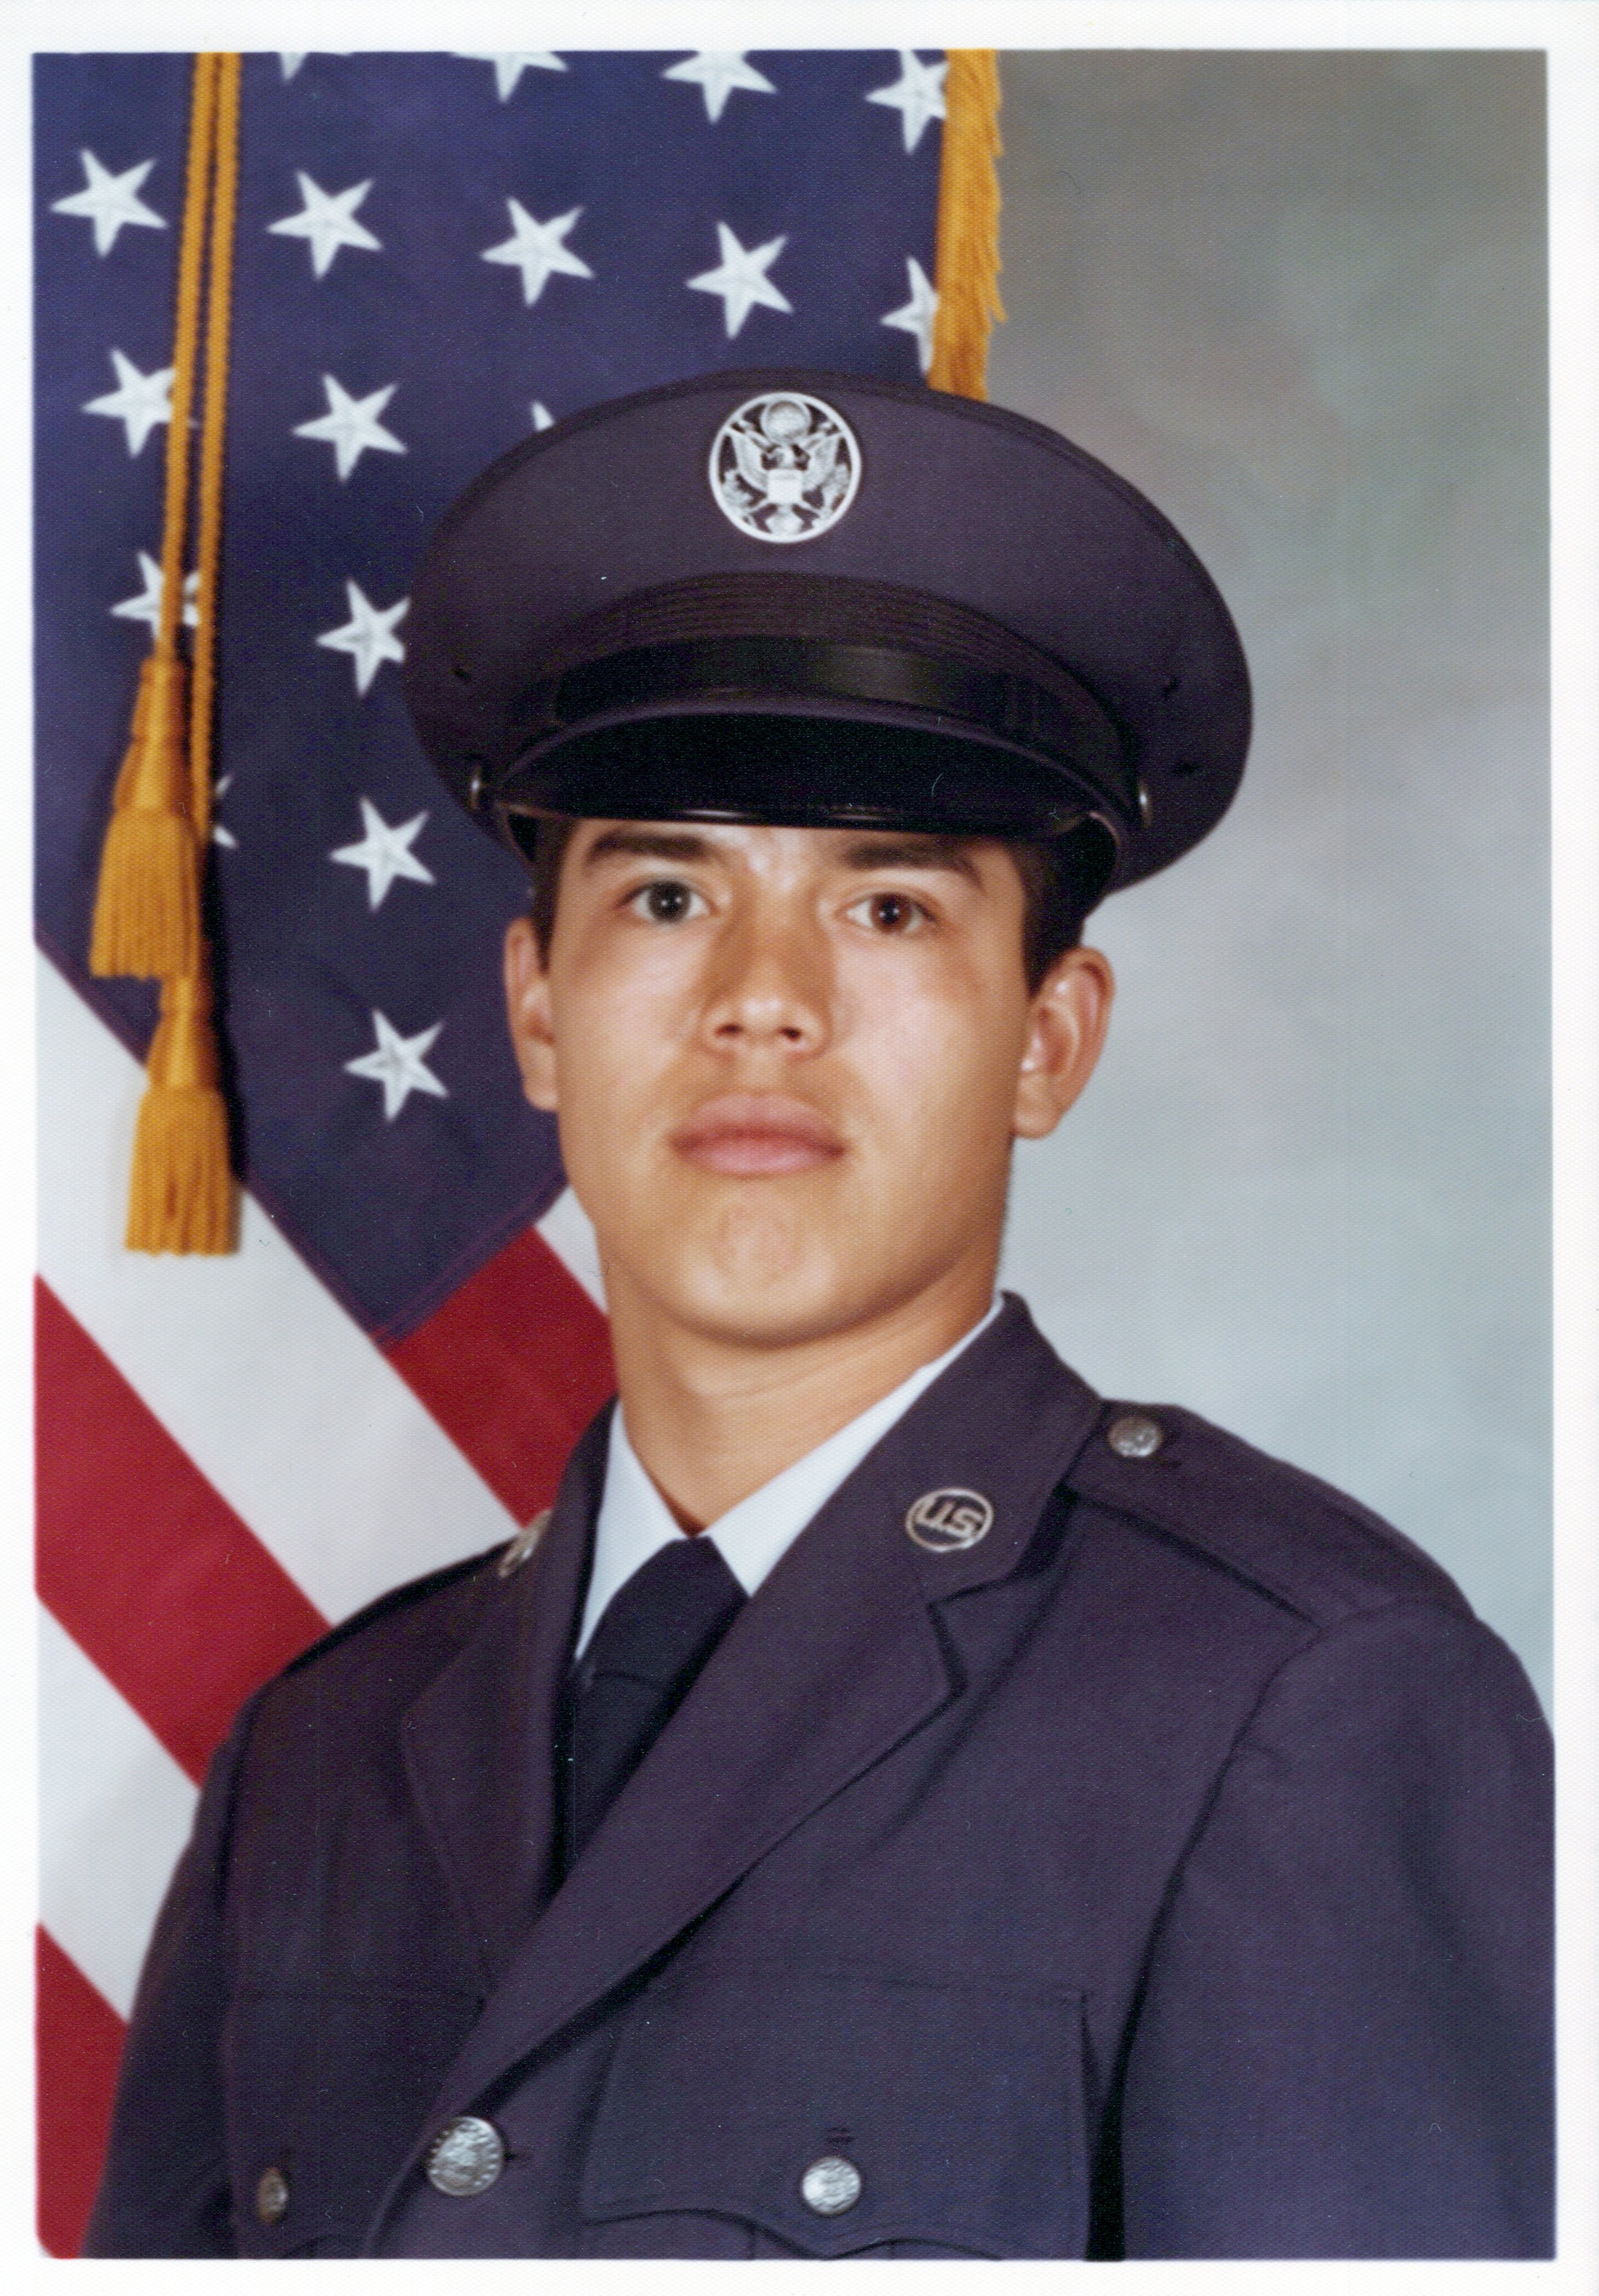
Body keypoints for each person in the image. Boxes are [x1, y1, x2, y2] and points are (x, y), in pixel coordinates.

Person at [87, 370, 1552, 2260]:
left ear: (1046, 1039)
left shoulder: (1291, 1704)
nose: (762, 1001)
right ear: (539, 1009)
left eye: (888, 911)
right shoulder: (323, 1754)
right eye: (672, 891)